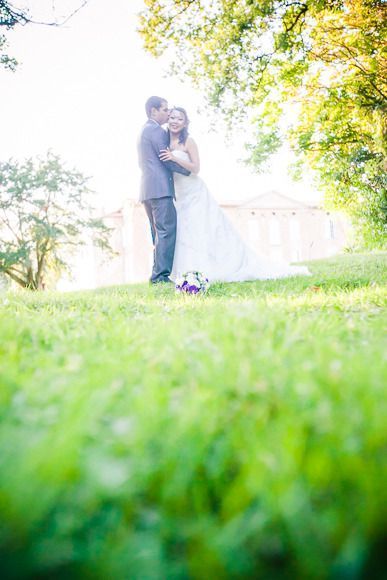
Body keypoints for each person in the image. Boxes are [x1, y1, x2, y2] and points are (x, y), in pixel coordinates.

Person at [159, 107, 311, 282]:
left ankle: (210, 269)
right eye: (172, 117)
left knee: (200, 229)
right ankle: (187, 272)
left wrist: (174, 158)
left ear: (185, 123)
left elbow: (196, 168)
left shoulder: (188, 142)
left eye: (179, 119)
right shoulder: (164, 143)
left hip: (195, 192)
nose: (174, 121)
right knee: (185, 232)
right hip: (180, 194)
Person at [138, 96, 190, 284]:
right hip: (160, 190)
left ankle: (156, 274)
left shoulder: (144, 130)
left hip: (147, 190)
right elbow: (166, 159)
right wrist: (188, 171)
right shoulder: (158, 131)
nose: (168, 114)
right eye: (165, 110)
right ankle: (160, 276)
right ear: (153, 111)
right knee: (166, 232)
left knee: (158, 234)